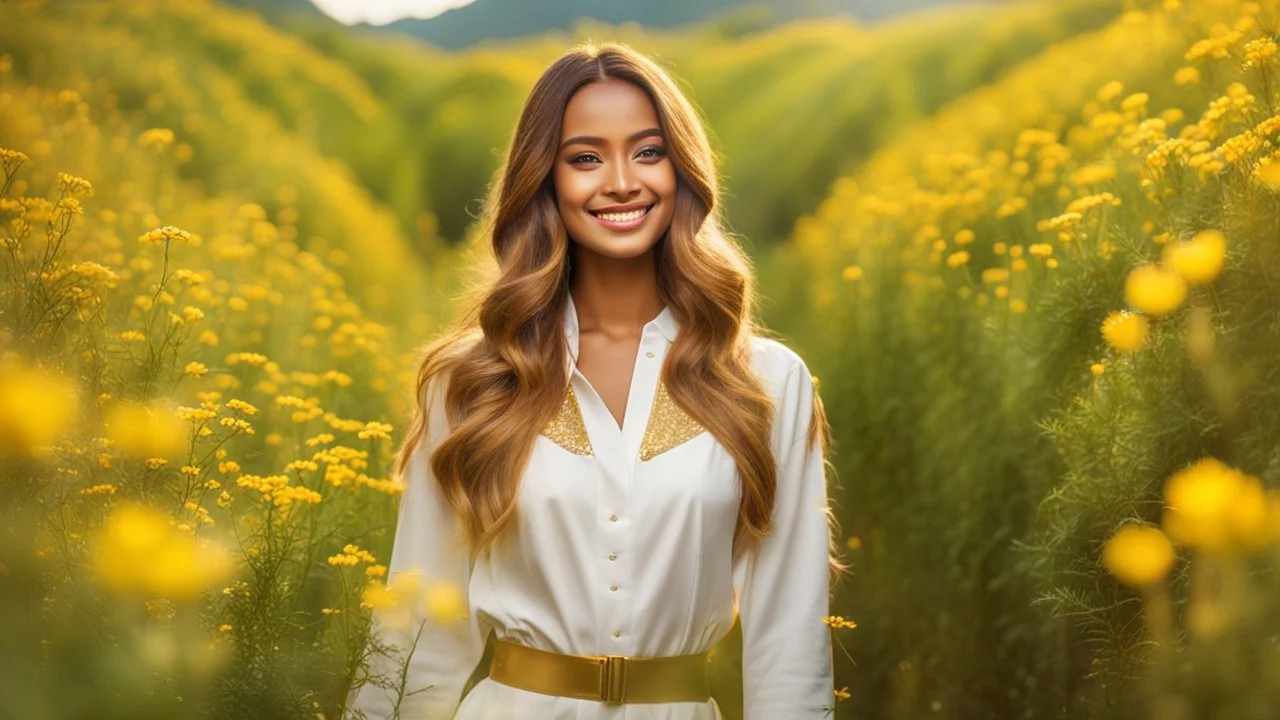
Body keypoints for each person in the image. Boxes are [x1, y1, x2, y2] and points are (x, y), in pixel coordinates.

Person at [346, 41, 840, 720]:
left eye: (647, 151)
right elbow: (417, 629)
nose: (620, 182)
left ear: (683, 170)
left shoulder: (766, 383)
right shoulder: (471, 381)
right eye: (585, 158)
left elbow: (789, 638)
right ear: (543, 178)